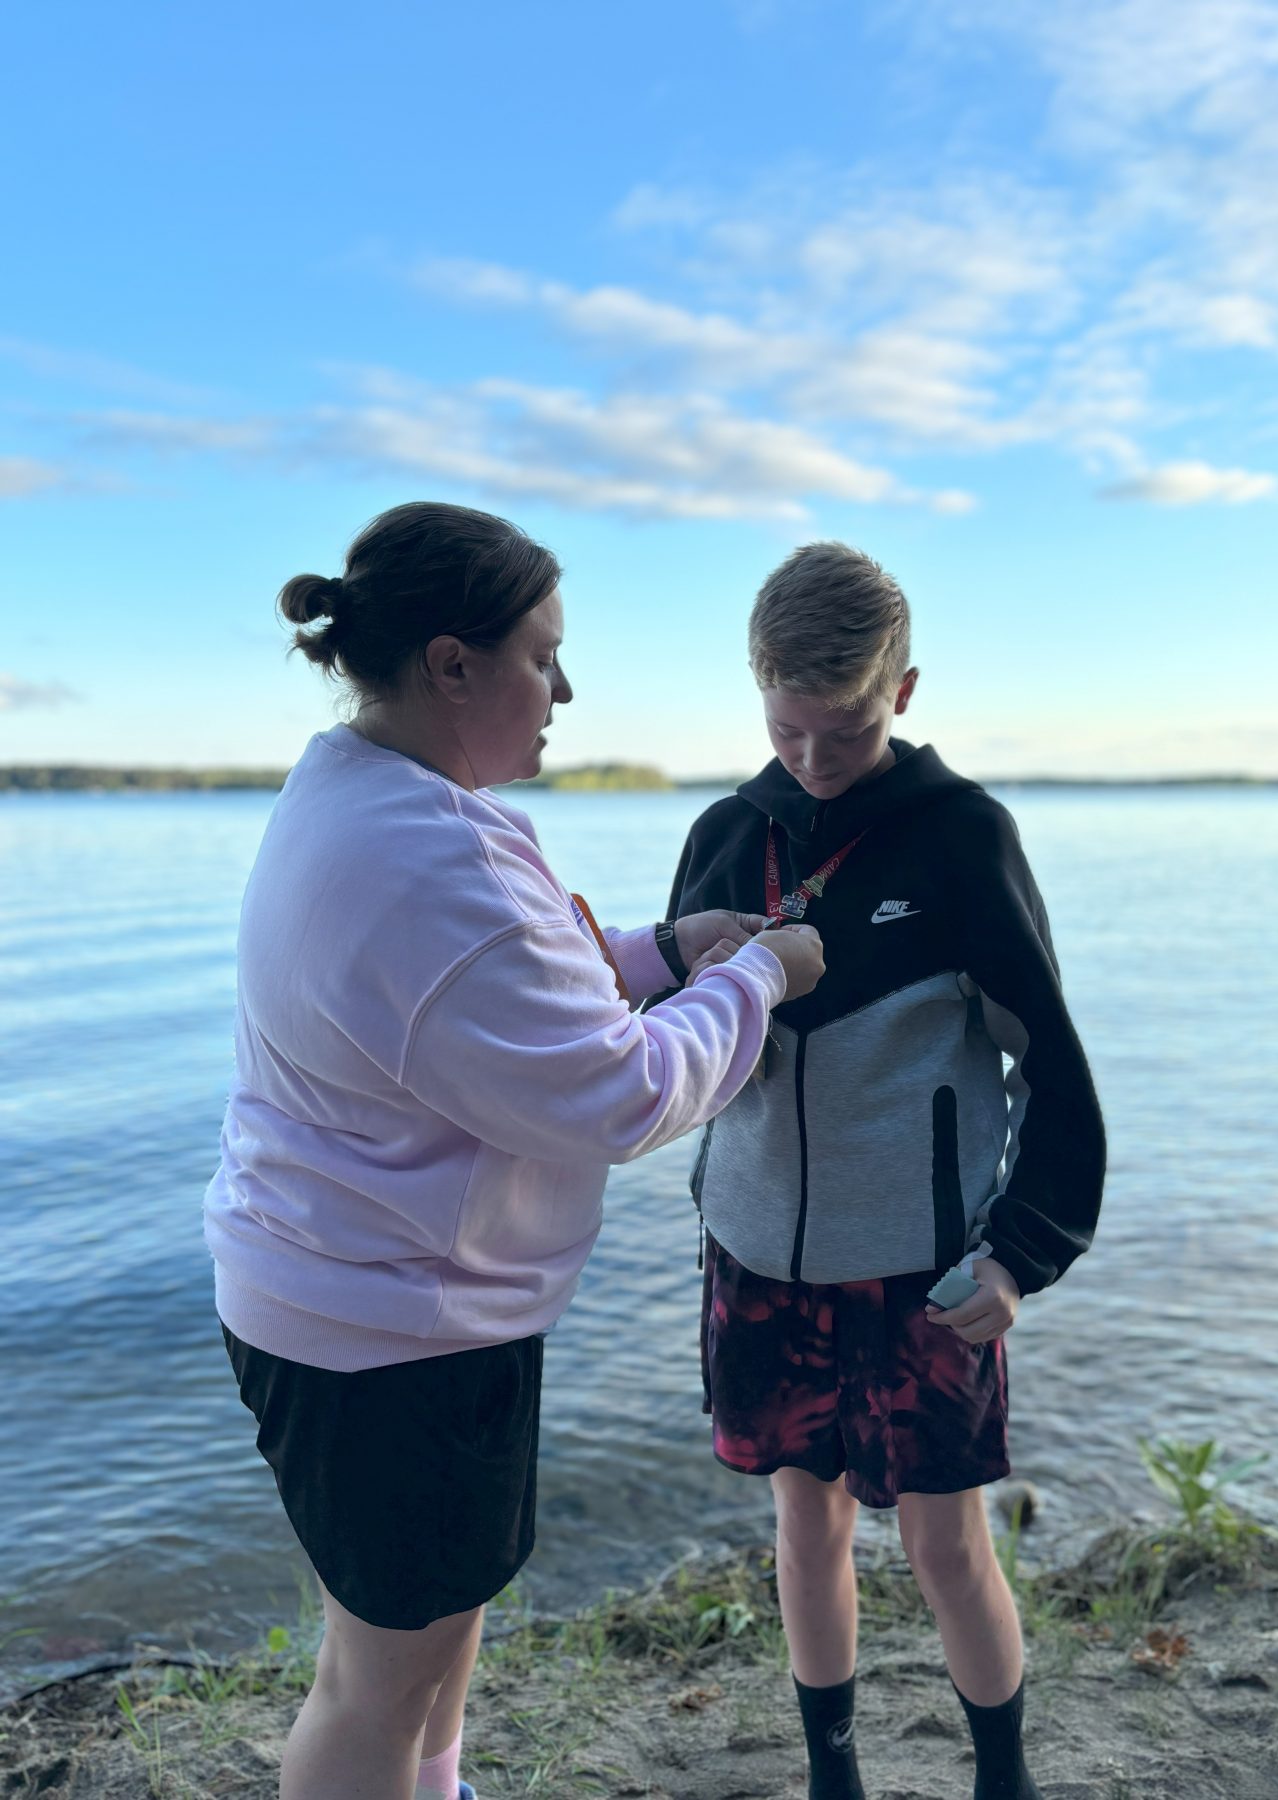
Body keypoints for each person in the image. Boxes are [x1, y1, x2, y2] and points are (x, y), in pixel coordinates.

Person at [203, 501, 824, 1800]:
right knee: (374, 1684)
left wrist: (662, 952)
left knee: (432, 1639)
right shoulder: (425, 857)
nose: (567, 688)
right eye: (544, 654)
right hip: (387, 1328)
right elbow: (618, 1094)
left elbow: (483, 1000)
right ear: (451, 664)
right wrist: (758, 975)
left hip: (361, 1293)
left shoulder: (363, 788)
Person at [660, 543, 1106, 1800]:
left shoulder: (965, 839)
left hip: (924, 1272)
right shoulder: (721, 835)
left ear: (902, 693)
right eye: (787, 728)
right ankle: (833, 1777)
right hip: (755, 1254)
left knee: (945, 1542)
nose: (811, 757)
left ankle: (1003, 1779)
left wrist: (1021, 1256)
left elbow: (1055, 1071)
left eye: (842, 730)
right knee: (804, 1528)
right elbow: (677, 1053)